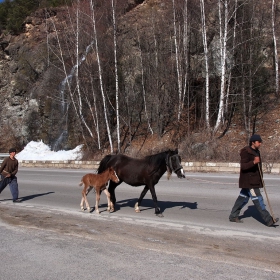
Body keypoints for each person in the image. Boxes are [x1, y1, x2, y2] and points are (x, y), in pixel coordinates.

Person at [229, 134, 278, 226]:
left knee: (242, 199)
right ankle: (268, 220)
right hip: (249, 181)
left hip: (255, 180)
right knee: (258, 199)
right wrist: (254, 162)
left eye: (260, 142)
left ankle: (233, 216)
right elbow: (243, 166)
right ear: (253, 142)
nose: (260, 144)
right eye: (258, 142)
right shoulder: (246, 151)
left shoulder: (256, 151)